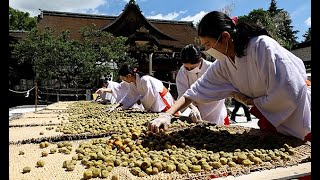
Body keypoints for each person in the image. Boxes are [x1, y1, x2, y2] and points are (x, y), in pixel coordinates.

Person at [148, 11, 311, 142]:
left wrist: (253, 102)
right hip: (269, 116)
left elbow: (290, 88)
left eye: (208, 45)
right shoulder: (223, 64)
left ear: (225, 37)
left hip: (299, 114)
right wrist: (166, 115)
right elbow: (194, 91)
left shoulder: (262, 46)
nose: (207, 50)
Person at [176, 44, 229, 125]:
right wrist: (193, 107)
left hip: (214, 108)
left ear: (200, 60)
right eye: (187, 68)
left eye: (192, 68)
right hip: (193, 108)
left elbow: (219, 93)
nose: (189, 70)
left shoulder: (212, 68)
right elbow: (183, 93)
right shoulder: (183, 71)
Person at [107, 64, 176, 113]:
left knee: (169, 114)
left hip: (162, 100)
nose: (123, 81)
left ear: (129, 76)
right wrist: (117, 105)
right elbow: (129, 96)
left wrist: (140, 99)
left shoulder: (144, 79)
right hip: (155, 101)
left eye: (123, 79)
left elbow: (150, 95)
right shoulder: (133, 83)